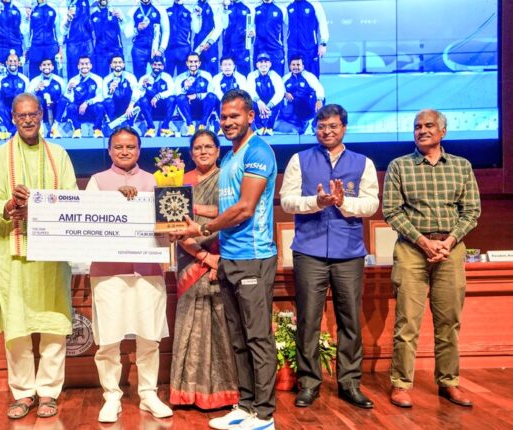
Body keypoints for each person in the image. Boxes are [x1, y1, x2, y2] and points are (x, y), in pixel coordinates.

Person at [171, 88, 278, 430]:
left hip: (254, 257)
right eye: (224, 116)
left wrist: (201, 228)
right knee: (238, 337)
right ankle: (245, 406)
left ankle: (264, 414)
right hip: (231, 257)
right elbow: (223, 207)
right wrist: (190, 211)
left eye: (235, 115)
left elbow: (244, 209)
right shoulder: (231, 157)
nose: (228, 122)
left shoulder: (259, 151)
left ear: (251, 116)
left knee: (258, 338)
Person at [0, 92, 78, 420]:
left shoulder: (59, 154)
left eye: (33, 114)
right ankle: (23, 393)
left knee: (53, 325)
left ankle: (49, 392)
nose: (27, 119)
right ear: (12, 117)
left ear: (41, 115)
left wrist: (40, 206)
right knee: (18, 327)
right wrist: (11, 206)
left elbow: (71, 198)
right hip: (13, 253)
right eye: (21, 115)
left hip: (51, 255)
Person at [280, 104, 379, 409]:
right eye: (322, 127)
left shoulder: (363, 163)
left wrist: (342, 201)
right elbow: (287, 202)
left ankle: (349, 383)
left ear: (344, 128)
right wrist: (318, 201)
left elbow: (371, 205)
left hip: (348, 253)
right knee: (309, 320)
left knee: (349, 320)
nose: (327, 132)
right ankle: (309, 383)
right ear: (315, 128)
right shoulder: (300, 159)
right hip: (309, 250)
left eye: (334, 126)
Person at [383, 109, 481, 409]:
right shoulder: (399, 166)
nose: (422, 130)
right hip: (413, 249)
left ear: (443, 131)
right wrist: (424, 242)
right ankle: (401, 385)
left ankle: (449, 382)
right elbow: (391, 210)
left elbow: (472, 211)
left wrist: (449, 241)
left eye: (428, 126)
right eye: (417, 126)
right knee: (407, 323)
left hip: (450, 250)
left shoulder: (462, 166)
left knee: (449, 322)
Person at [87, 127, 173, 423]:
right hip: (108, 272)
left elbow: (166, 223)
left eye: (131, 147)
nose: (125, 151)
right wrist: (116, 202)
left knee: (149, 336)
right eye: (119, 147)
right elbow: (90, 224)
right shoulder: (97, 182)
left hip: (148, 270)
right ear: (109, 150)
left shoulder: (155, 180)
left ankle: (148, 393)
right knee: (109, 339)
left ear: (139, 150)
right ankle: (111, 396)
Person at [169, 129, 239, 410]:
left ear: (218, 151)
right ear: (190, 153)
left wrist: (216, 259)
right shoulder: (179, 182)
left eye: (208, 146)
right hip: (191, 261)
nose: (203, 152)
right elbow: (173, 225)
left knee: (221, 325)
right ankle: (187, 392)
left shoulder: (227, 180)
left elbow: (233, 218)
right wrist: (202, 256)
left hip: (223, 258)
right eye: (197, 148)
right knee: (190, 323)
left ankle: (227, 392)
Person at [276, 55, 324, 135]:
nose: (296, 67)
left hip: (307, 106)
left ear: (303, 66)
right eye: (293, 65)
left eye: (298, 65)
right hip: (292, 108)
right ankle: (299, 125)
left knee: (319, 102)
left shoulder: (309, 76)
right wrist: (284, 93)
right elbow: (278, 90)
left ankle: (314, 125)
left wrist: (319, 100)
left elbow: (319, 89)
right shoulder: (285, 78)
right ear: (289, 66)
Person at [60, 56, 105, 138]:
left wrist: (87, 103)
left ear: (91, 66)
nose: (84, 66)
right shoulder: (73, 80)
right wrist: (69, 89)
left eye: (87, 64)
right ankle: (77, 129)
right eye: (82, 64)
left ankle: (97, 130)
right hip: (78, 110)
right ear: (78, 66)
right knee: (70, 107)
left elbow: (101, 96)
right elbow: (68, 98)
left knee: (100, 106)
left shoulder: (98, 79)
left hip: (91, 108)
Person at [174, 52, 217, 136]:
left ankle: (202, 125)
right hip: (188, 108)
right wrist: (185, 87)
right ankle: (190, 126)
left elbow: (211, 92)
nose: (193, 64)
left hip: (203, 108)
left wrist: (197, 96)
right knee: (180, 98)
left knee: (212, 97)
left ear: (199, 63)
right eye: (191, 62)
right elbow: (177, 95)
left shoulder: (207, 75)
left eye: (195, 61)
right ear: (187, 63)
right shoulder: (180, 78)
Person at [125, 0, 169, 77]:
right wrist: (137, 29)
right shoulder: (134, 9)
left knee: (158, 76)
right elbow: (127, 33)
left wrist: (161, 50)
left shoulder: (159, 9)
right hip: (139, 50)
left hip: (155, 50)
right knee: (139, 78)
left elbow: (166, 31)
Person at [135, 56, 177, 137]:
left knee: (172, 99)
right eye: (155, 64)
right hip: (150, 108)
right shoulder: (144, 78)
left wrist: (158, 96)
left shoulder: (167, 77)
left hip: (163, 107)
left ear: (163, 66)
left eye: (159, 65)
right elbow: (137, 94)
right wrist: (143, 87)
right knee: (143, 100)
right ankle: (151, 128)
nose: (157, 67)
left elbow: (172, 91)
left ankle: (165, 128)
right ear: (151, 65)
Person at [0, 52, 31, 139]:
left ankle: (11, 132)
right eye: (10, 61)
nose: (12, 63)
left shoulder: (24, 79)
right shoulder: (0, 78)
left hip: (19, 109)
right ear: (6, 63)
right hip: (5, 109)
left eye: (15, 61)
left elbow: (28, 96)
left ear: (18, 63)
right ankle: (13, 130)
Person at [286, 0, 328, 77]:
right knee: (294, 76)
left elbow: (323, 22)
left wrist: (323, 43)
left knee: (312, 76)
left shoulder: (314, 4)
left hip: (310, 48)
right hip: (293, 48)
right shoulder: (289, 5)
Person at [28, 58, 68, 137]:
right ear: (40, 67)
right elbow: (28, 97)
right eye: (44, 65)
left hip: (55, 111)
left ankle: (55, 128)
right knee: (37, 99)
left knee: (63, 100)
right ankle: (40, 127)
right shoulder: (34, 81)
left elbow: (66, 95)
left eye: (49, 65)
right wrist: (35, 90)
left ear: (52, 67)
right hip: (41, 112)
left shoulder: (60, 80)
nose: (46, 67)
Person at [247, 52, 284, 136]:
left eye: (266, 61)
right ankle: (259, 127)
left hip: (270, 104)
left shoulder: (275, 76)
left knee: (279, 101)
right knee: (248, 101)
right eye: (261, 62)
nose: (263, 64)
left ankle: (269, 127)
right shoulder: (252, 75)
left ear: (270, 64)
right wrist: (259, 102)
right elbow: (250, 90)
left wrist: (268, 106)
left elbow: (280, 93)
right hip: (258, 103)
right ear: (257, 65)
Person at [24, 0, 63, 79]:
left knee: (54, 75)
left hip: (51, 48)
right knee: (34, 76)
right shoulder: (31, 9)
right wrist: (27, 48)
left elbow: (58, 30)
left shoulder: (53, 8)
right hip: (36, 48)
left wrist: (60, 48)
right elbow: (27, 32)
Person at [211, 56, 250, 133]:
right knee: (213, 98)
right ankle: (221, 127)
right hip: (222, 103)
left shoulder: (241, 78)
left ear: (234, 66)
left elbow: (243, 92)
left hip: (236, 103)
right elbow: (217, 92)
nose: (227, 67)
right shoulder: (216, 78)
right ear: (221, 67)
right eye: (225, 65)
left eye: (229, 64)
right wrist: (227, 101)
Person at [102, 55, 140, 131]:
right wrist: (111, 91)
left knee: (138, 101)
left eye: (120, 62)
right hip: (115, 107)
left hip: (128, 106)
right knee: (107, 101)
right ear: (111, 65)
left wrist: (131, 106)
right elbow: (105, 97)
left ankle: (130, 124)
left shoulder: (130, 77)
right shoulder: (106, 79)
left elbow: (136, 92)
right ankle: (116, 126)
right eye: (115, 62)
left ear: (123, 64)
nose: (117, 64)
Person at [164, 0, 201, 76]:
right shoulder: (166, 11)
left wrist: (197, 16)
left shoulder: (190, 11)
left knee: (183, 77)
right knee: (166, 76)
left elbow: (196, 29)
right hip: (169, 49)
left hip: (184, 50)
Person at [90, 0, 125, 77]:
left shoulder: (115, 11)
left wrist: (121, 19)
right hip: (100, 51)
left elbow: (125, 30)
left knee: (119, 76)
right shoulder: (92, 13)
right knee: (101, 76)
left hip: (115, 49)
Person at [0, 0, 28, 68]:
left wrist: (27, 19)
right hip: (0, 46)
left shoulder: (19, 8)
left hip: (16, 45)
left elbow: (24, 31)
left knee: (16, 72)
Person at [61, 0, 94, 79]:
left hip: (88, 42)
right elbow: (62, 31)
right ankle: (72, 90)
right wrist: (68, 20)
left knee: (90, 70)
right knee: (73, 71)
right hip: (73, 44)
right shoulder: (65, 5)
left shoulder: (90, 3)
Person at [253, 0, 287, 76]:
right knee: (259, 78)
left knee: (277, 78)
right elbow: (250, 26)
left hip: (275, 50)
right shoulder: (255, 9)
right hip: (259, 50)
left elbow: (290, 27)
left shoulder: (281, 9)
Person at [221, 0, 254, 76]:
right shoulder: (224, 6)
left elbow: (251, 26)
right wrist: (225, 8)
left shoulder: (249, 8)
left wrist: (252, 32)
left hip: (242, 49)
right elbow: (224, 25)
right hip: (228, 47)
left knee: (244, 75)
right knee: (227, 75)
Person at [192, 0, 222, 76]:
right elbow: (196, 29)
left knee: (212, 72)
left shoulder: (214, 4)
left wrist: (209, 43)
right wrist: (198, 16)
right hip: (198, 46)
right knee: (197, 72)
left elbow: (219, 27)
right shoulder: (195, 5)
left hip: (211, 46)